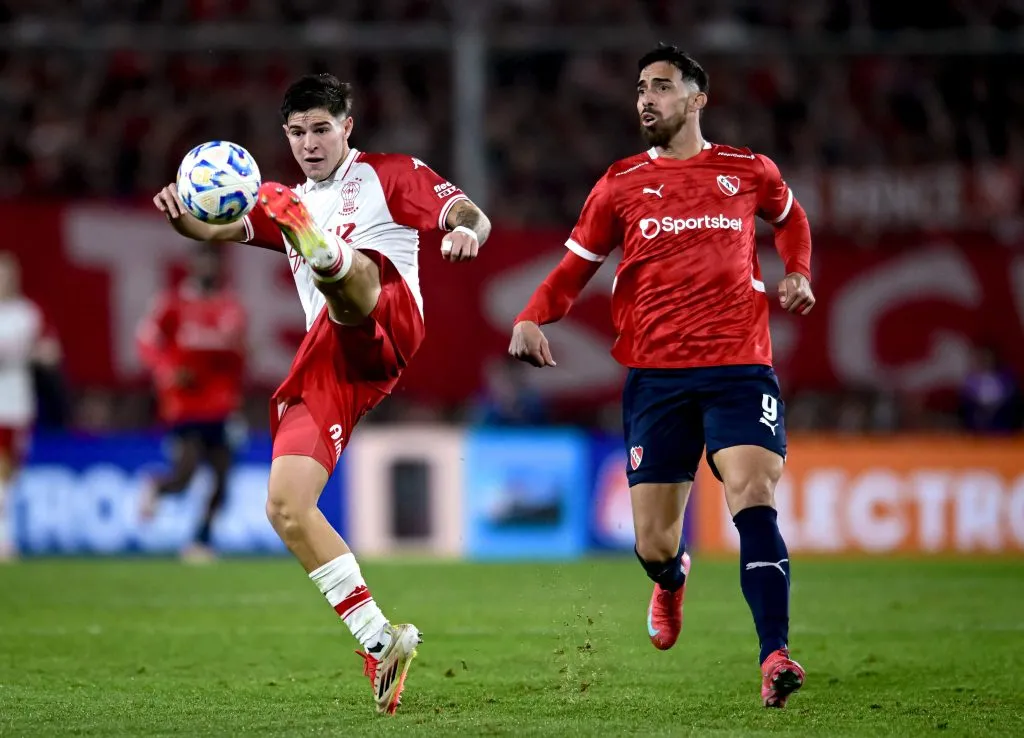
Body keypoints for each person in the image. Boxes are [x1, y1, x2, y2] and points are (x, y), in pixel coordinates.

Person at [152, 73, 490, 715]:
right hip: (333, 364)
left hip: (389, 317)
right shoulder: (281, 202)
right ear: (286, 135)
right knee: (284, 506)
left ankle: (328, 253)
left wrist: (467, 232)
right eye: (298, 132)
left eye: (321, 129)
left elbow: (468, 212)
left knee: (355, 276)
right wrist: (183, 217)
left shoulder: (389, 174)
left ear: (346, 128)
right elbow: (213, 231)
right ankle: (379, 639)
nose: (310, 142)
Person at [509, 45, 815, 708]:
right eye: (640, 88)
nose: (646, 98)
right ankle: (670, 580)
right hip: (656, 378)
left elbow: (791, 219)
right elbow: (574, 267)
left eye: (662, 87)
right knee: (652, 541)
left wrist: (797, 272)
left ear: (697, 98)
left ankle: (775, 656)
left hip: (740, 366)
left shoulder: (746, 170)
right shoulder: (619, 182)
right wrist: (534, 316)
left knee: (753, 498)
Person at [136, 243, 247, 562]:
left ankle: (200, 541)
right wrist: (168, 371)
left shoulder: (232, 307)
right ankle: (157, 488)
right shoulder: (173, 304)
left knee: (223, 480)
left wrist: (237, 397)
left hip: (222, 405)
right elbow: (145, 339)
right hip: (185, 406)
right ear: (193, 266)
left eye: (214, 263)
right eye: (204, 263)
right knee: (185, 476)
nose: (209, 269)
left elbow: (237, 360)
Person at [0, 252, 55, 562]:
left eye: (7, 275)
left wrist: (35, 355)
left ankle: (5, 537)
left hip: (15, 403)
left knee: (10, 474)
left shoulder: (28, 313)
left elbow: (49, 351)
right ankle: (3, 540)